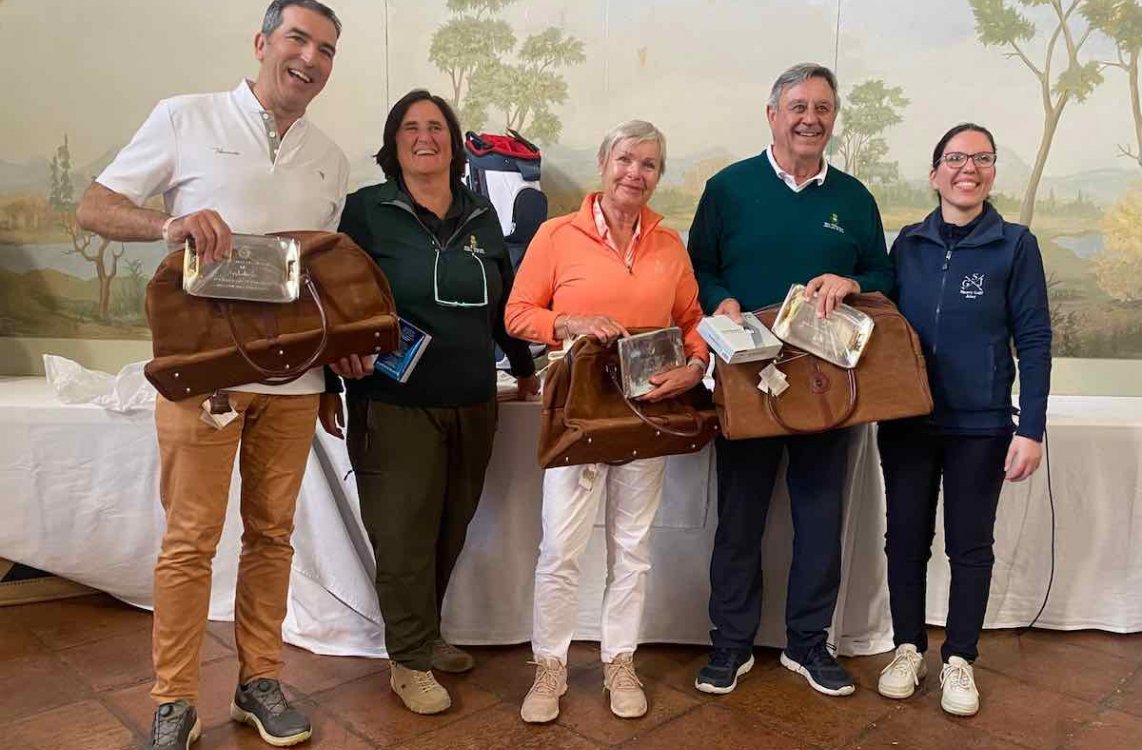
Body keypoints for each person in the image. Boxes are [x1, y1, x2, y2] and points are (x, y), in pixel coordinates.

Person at [74, 2, 349, 747]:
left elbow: (320, 284)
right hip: (204, 380)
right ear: (263, 43)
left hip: (296, 385)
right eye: (298, 39)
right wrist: (170, 225)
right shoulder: (183, 117)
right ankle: (174, 700)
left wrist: (335, 378)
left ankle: (260, 683)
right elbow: (95, 207)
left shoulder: (332, 159)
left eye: (326, 48)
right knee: (190, 543)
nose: (311, 58)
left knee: (273, 537)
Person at [688, 63, 894, 697]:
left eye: (823, 108)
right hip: (747, 378)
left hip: (831, 383)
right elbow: (697, 268)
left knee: (819, 516)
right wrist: (720, 299)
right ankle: (730, 646)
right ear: (772, 114)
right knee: (740, 518)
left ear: (834, 119)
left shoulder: (854, 198)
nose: (811, 118)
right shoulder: (727, 188)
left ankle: (809, 644)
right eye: (798, 106)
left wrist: (853, 282)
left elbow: (885, 274)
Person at [332, 89, 539, 716]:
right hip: (393, 403)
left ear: (453, 142)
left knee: (451, 527)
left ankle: (425, 635)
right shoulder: (366, 212)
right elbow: (336, 295)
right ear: (394, 144)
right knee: (402, 536)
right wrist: (332, 365)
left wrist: (526, 370)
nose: (426, 137)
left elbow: (503, 305)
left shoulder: (479, 215)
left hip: (473, 399)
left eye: (437, 127)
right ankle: (409, 660)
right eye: (411, 128)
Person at [506, 120, 710, 722]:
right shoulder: (555, 235)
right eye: (625, 159)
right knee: (560, 548)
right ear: (603, 163)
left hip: (645, 413)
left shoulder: (670, 245)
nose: (635, 174)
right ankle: (550, 666)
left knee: (633, 548)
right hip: (578, 413)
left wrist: (697, 366)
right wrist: (568, 324)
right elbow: (518, 314)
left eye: (649, 165)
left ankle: (620, 659)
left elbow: (693, 318)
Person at [875, 123, 1050, 717]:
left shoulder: (1016, 245)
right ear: (935, 174)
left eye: (980, 158)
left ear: (992, 172)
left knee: (970, 545)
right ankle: (907, 648)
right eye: (954, 158)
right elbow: (883, 329)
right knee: (905, 541)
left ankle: (960, 659)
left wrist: (1032, 428)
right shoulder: (909, 244)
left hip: (982, 425)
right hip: (907, 422)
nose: (967, 168)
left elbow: (1035, 340)